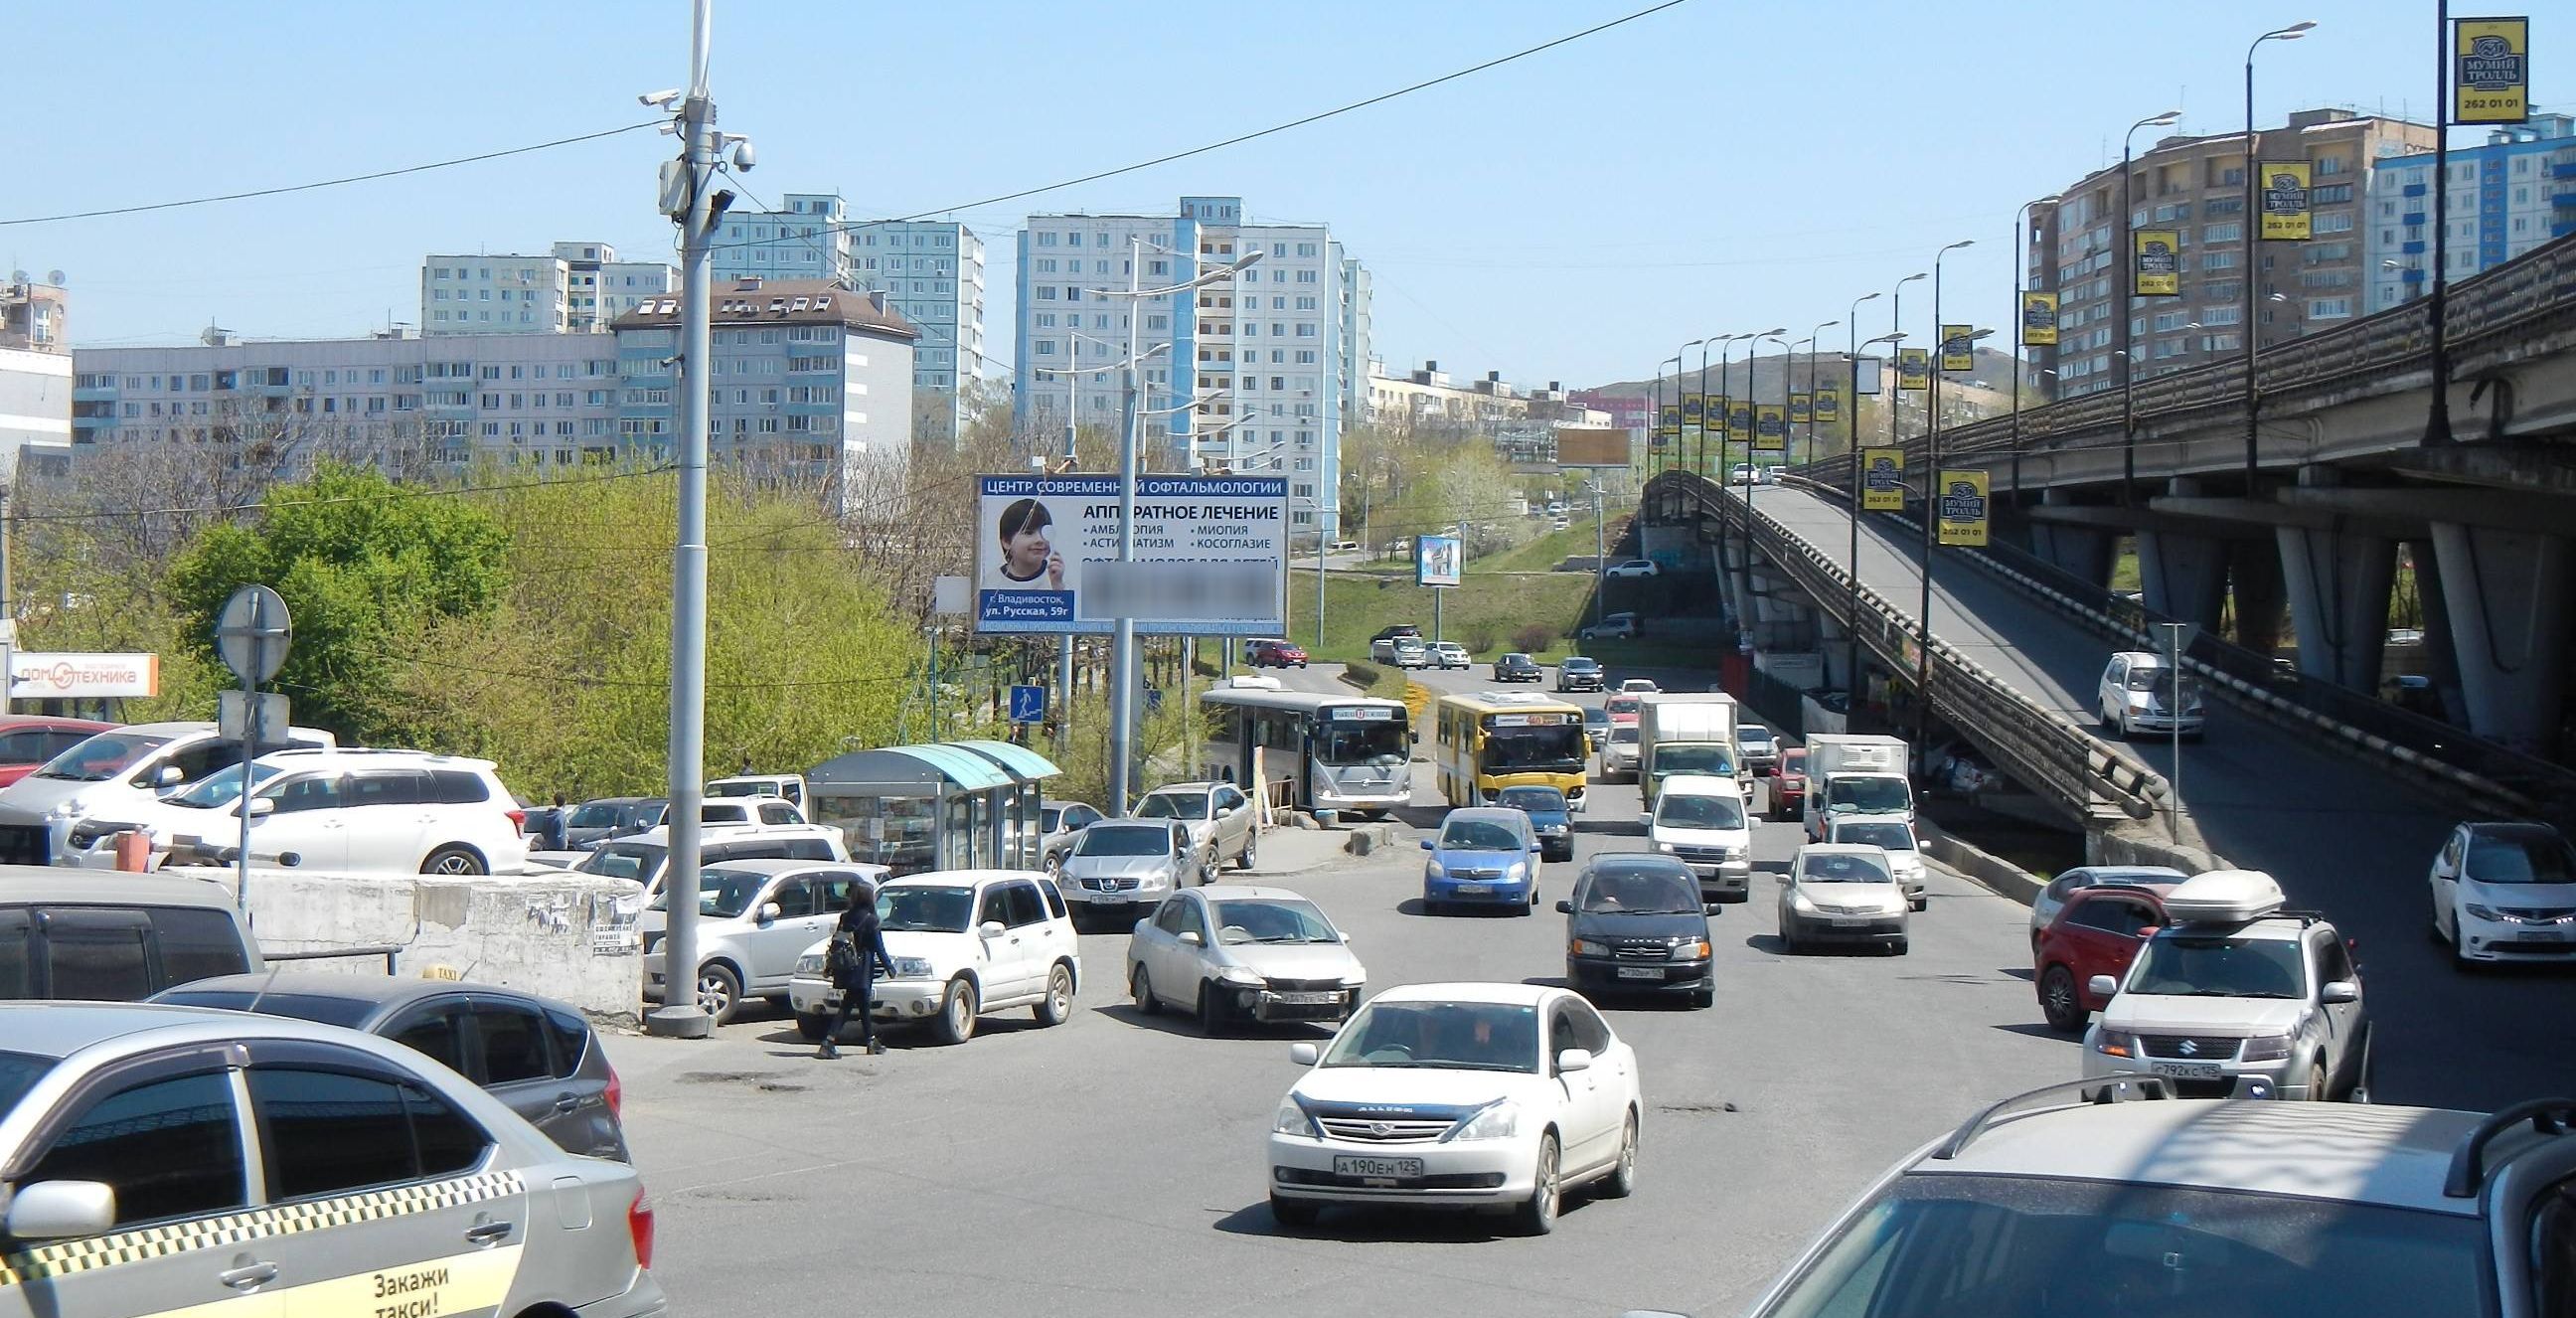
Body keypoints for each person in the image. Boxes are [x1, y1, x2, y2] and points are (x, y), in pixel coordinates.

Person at [816, 879, 894, 1060]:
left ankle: (870, 1041)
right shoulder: (871, 919)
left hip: (846, 967)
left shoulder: (846, 917)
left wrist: (829, 967)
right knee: (852, 1006)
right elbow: (878, 947)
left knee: (857, 1005)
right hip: (862, 968)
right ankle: (829, 1042)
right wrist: (889, 967)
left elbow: (837, 942)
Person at [982, 498, 1065, 591]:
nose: (1039, 539)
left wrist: (1057, 587)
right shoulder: (992, 583)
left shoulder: (1058, 578)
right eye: (1028, 533)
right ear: (1006, 542)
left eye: (1044, 532)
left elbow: (1067, 604)